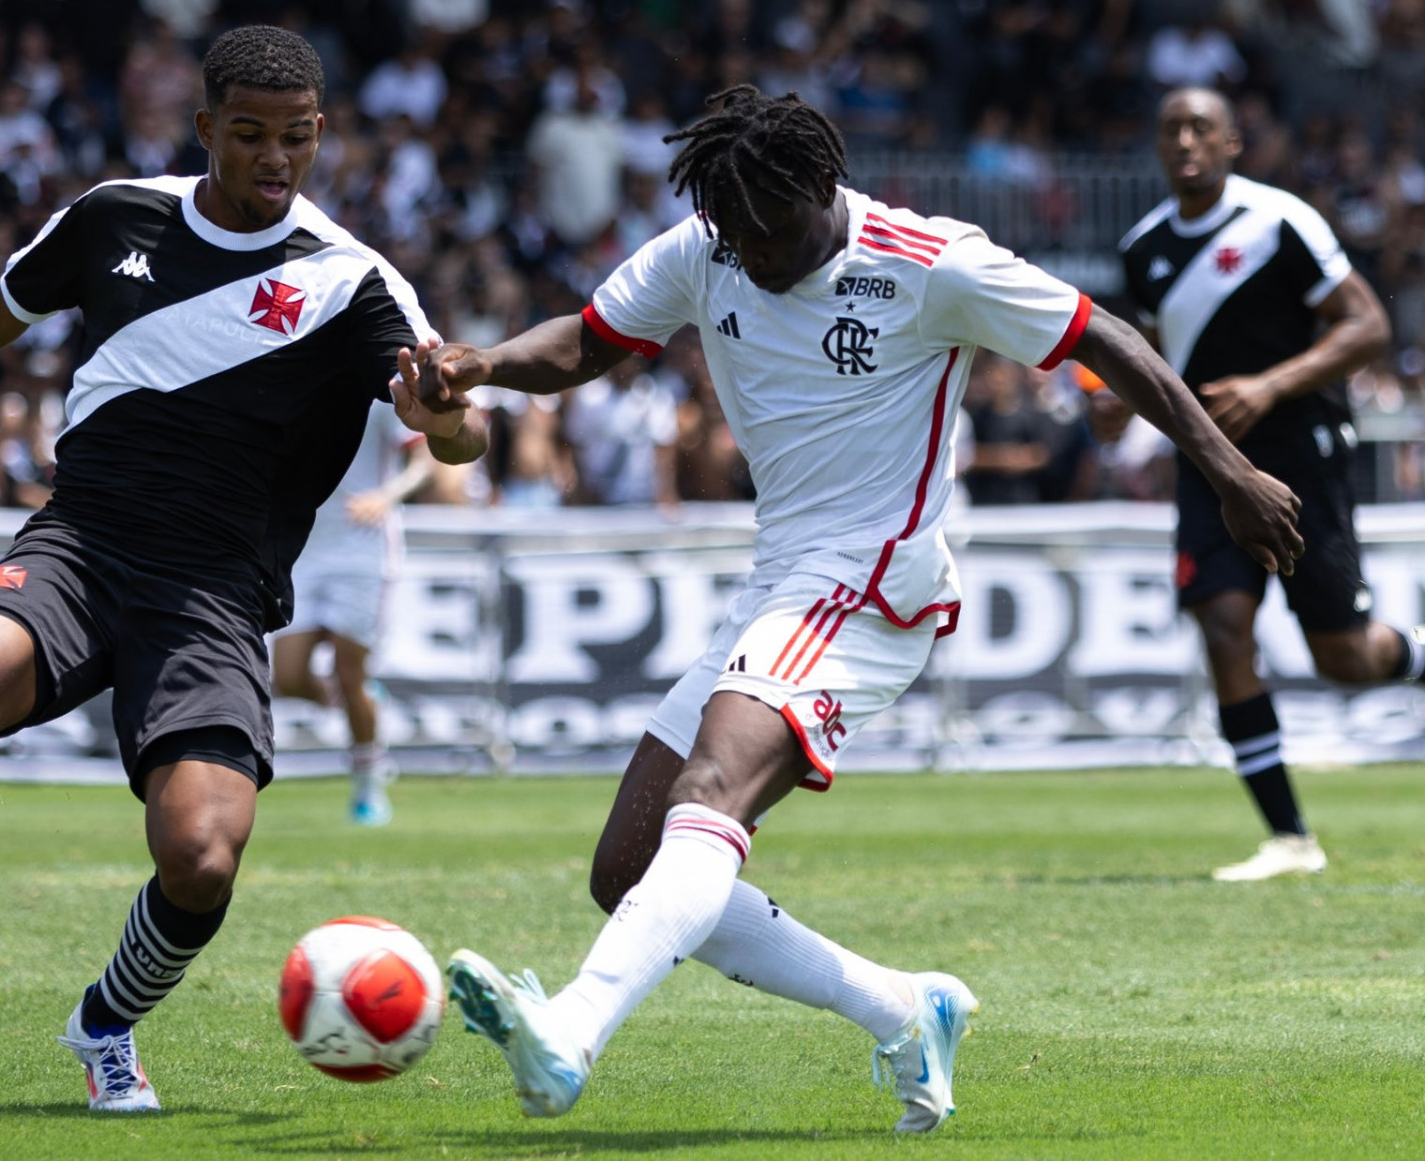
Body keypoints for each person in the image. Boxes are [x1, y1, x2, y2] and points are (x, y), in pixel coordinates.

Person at [414, 85, 1303, 1131]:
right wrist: (484, 363)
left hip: (876, 583)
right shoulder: (712, 244)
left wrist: (1229, 473)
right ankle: (903, 1005)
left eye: (769, 229)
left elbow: (1104, 336)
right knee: (629, 872)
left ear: (819, 188)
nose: (750, 252)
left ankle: (569, 1031)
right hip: (780, 584)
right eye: (733, 231)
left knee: (710, 791)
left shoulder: (931, 263)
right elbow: (591, 341)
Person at [0, 26, 486, 1112]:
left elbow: (459, 433)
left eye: (299, 139)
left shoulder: (352, 283)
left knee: (204, 858)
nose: (277, 159)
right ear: (207, 127)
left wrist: (444, 418)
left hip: (215, 594)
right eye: (254, 135)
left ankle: (105, 1024)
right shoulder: (116, 214)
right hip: (82, 542)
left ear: (323, 135)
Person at [1120, 87, 1424, 881]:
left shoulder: (1278, 222)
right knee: (1224, 626)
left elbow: (1367, 326)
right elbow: (1154, 364)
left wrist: (1268, 387)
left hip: (1300, 451)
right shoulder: (1142, 248)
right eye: (1171, 129)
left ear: (1232, 145)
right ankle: (1291, 838)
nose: (1184, 141)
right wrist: (1113, 414)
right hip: (1209, 464)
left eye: (1201, 128)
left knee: (1346, 659)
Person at [270, 397, 433, 825]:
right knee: (286, 676)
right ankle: (356, 703)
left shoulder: (376, 398)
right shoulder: (291, 385)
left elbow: (423, 458)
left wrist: (386, 496)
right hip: (305, 550)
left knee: (350, 669)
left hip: (364, 549)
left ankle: (368, 784)